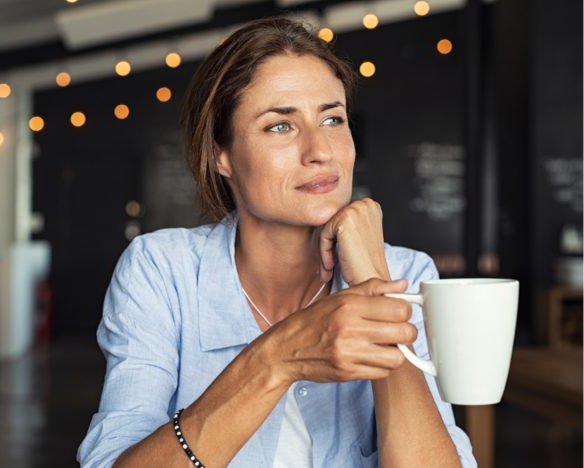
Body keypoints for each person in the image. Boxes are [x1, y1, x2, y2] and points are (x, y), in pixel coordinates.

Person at [78, 17, 476, 468]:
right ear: (220, 154)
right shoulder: (161, 270)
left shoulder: (407, 275)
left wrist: (371, 277)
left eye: (332, 118)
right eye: (280, 127)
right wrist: (278, 359)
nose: (320, 150)